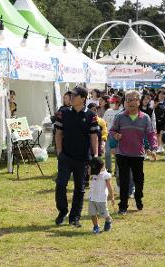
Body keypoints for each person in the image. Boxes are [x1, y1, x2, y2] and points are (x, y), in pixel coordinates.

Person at [54, 86, 99, 227]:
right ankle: (62, 212)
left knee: (79, 189)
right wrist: (59, 151)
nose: (71, 97)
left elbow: (94, 136)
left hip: (83, 158)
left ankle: (74, 218)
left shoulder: (91, 116)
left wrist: (95, 154)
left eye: (74, 95)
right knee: (61, 185)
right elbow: (58, 133)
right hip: (65, 156)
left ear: (83, 98)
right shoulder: (63, 113)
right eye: (70, 95)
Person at [110, 90, 157, 215]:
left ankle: (138, 198)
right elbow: (112, 131)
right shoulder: (119, 117)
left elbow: (151, 133)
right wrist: (115, 138)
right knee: (124, 180)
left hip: (138, 154)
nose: (130, 102)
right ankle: (123, 206)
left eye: (133, 99)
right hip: (122, 154)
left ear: (139, 101)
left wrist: (153, 147)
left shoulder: (145, 118)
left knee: (139, 180)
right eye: (127, 100)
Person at [88, 157, 115, 234]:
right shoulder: (93, 173)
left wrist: (112, 197)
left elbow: (110, 187)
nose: (89, 169)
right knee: (93, 214)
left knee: (103, 214)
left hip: (101, 198)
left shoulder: (105, 175)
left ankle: (108, 220)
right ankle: (96, 226)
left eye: (90, 167)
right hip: (92, 197)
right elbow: (89, 173)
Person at [103, 95, 122, 173]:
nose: (111, 103)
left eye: (112, 102)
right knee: (107, 153)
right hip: (108, 135)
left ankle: (117, 171)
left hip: (118, 136)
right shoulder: (108, 111)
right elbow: (104, 122)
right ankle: (108, 169)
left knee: (117, 154)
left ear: (117, 103)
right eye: (111, 102)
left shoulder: (122, 112)